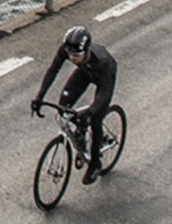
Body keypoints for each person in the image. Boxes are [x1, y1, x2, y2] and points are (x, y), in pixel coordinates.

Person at [32, 25, 118, 185]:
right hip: (85, 72)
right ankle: (81, 130)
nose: (71, 58)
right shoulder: (68, 50)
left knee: (95, 119)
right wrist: (40, 96)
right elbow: (53, 70)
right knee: (64, 105)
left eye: (76, 55)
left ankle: (95, 164)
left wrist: (90, 112)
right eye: (69, 54)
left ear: (85, 51)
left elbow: (104, 93)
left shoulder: (102, 62)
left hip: (104, 78)